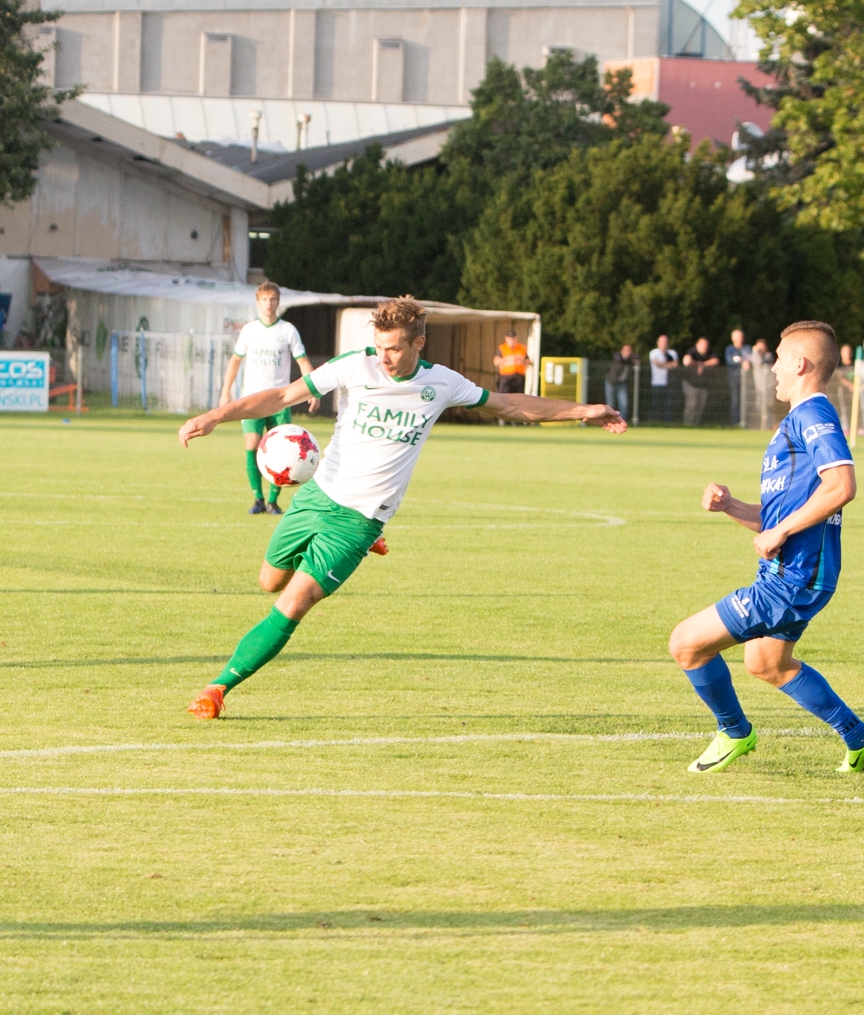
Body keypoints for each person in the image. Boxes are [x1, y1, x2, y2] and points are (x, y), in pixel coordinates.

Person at [178, 296, 627, 719]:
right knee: (268, 582)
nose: (384, 357)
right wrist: (216, 415)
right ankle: (349, 550)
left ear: (418, 343)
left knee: (295, 602)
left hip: (357, 522)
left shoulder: (442, 383)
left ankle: (217, 688)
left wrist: (581, 410)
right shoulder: (355, 366)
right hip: (317, 497)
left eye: (393, 349)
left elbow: (508, 403)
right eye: (378, 347)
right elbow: (281, 396)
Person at [667, 320, 864, 775]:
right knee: (766, 662)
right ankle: (861, 739)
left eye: (779, 361)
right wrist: (731, 506)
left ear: (801, 364)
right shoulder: (796, 421)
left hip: (793, 576)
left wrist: (780, 533)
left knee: (687, 644)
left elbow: (842, 485)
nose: (772, 370)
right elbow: (778, 516)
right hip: (789, 572)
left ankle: (734, 731)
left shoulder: (813, 415)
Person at [220, 282, 319, 515]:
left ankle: (274, 501)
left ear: (278, 302)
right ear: (258, 302)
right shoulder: (249, 330)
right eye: (264, 299)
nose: (269, 303)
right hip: (252, 399)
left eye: (273, 299)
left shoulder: (287, 331)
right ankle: (258, 499)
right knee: (252, 445)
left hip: (279, 400)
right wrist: (226, 391)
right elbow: (235, 361)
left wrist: (313, 390)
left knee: (283, 450)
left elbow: (302, 361)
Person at [681, 336, 719, 425]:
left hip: (703, 386)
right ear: (697, 344)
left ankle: (696, 425)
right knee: (691, 405)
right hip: (690, 384)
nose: (705, 346)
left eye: (706, 345)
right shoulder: (692, 352)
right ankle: (687, 424)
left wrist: (702, 364)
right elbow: (686, 361)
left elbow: (716, 361)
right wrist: (697, 364)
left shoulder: (709, 353)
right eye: (702, 344)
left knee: (700, 407)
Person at [725, 329, 753, 425]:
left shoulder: (747, 348)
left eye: (741, 336)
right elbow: (730, 361)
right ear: (733, 338)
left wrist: (745, 361)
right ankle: (735, 422)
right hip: (734, 378)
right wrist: (741, 361)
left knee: (747, 400)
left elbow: (750, 358)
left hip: (747, 379)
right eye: (737, 337)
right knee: (735, 400)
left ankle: (746, 422)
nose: (740, 339)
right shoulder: (729, 349)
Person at [648, 334, 678, 422]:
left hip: (669, 383)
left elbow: (675, 364)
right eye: (662, 341)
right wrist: (668, 365)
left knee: (669, 404)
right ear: (658, 343)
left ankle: (668, 423)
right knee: (655, 404)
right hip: (656, 383)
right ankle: (654, 422)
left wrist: (663, 364)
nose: (664, 343)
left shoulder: (672, 353)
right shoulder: (654, 352)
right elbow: (656, 363)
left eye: (665, 342)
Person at [605, 343, 637, 422]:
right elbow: (619, 359)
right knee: (610, 403)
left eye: (629, 350)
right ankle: (610, 421)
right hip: (611, 382)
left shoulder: (630, 360)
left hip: (622, 384)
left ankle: (622, 421)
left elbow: (638, 358)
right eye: (626, 350)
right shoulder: (618, 356)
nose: (628, 352)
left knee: (624, 403)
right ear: (622, 351)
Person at [751, 338, 776, 429]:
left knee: (768, 406)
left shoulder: (768, 355)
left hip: (769, 385)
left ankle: (771, 424)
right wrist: (756, 353)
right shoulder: (755, 356)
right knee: (759, 406)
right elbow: (756, 362)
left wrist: (757, 353)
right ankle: (769, 424)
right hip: (759, 386)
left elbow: (763, 362)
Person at [494, 328, 528, 395]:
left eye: (513, 338)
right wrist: (509, 359)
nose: (512, 340)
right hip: (506, 377)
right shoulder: (502, 348)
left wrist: (521, 360)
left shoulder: (522, 348)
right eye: (510, 338)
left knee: (519, 397)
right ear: (506, 339)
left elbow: (528, 361)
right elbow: (496, 362)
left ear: (516, 338)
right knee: (504, 396)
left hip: (519, 377)